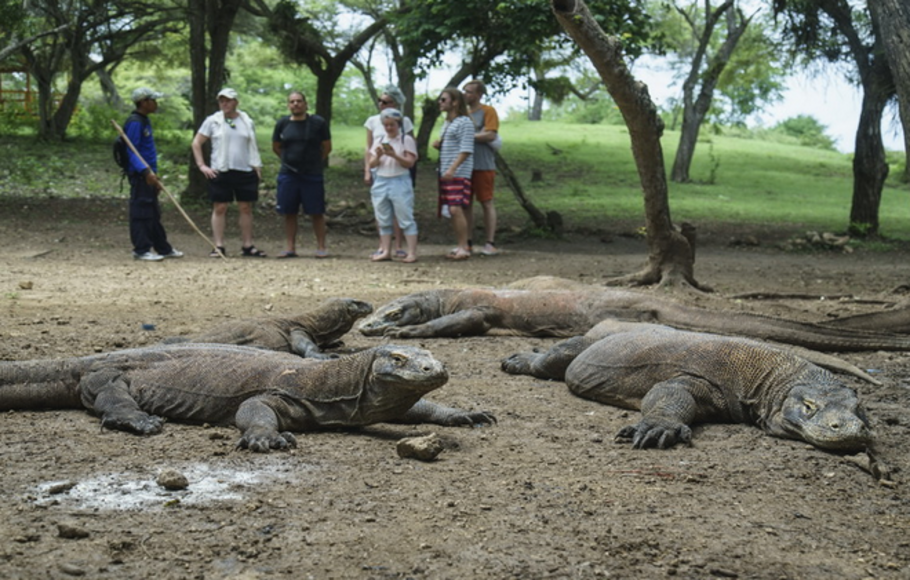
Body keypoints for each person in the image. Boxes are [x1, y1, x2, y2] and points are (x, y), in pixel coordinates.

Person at [191, 88, 265, 258]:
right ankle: (219, 245)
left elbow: (251, 145)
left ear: (236, 102)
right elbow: (196, 143)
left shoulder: (246, 120)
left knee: (245, 208)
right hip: (221, 170)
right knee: (220, 207)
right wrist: (202, 165)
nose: (225, 103)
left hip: (245, 169)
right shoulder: (213, 121)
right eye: (221, 101)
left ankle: (247, 245)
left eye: (228, 100)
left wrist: (256, 166)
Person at [123, 87, 183, 262]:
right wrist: (145, 171)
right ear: (143, 102)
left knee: (153, 212)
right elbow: (131, 150)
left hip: (150, 173)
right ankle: (141, 249)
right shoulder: (135, 122)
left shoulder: (144, 121)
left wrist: (154, 174)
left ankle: (162, 247)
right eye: (153, 100)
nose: (156, 104)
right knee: (141, 212)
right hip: (141, 174)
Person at [272, 91, 332, 259]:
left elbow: (327, 147)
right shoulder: (282, 124)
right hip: (288, 174)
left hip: (312, 174)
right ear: (288, 105)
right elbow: (276, 146)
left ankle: (321, 247)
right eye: (292, 101)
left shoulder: (318, 123)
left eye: (299, 101)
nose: (296, 104)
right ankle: (290, 247)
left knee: (316, 211)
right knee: (289, 211)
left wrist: (315, 162)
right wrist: (287, 160)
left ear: (305, 104)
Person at [363, 86, 414, 259]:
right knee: (382, 212)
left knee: (401, 210)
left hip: (399, 173)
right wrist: (368, 170)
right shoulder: (373, 121)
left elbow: (409, 149)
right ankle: (384, 247)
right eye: (380, 100)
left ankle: (400, 245)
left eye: (386, 101)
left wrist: (396, 155)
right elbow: (368, 148)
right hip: (380, 172)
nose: (381, 104)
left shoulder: (404, 123)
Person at [432, 86, 474, 260]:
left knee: (456, 208)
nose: (440, 103)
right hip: (446, 171)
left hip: (458, 172)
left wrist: (452, 168)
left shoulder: (465, 122)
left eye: (444, 99)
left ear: (455, 102)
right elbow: (452, 146)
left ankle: (464, 246)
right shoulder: (448, 123)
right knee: (451, 209)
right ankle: (460, 245)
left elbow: (466, 149)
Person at [462, 80, 500, 256]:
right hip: (465, 164)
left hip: (483, 163)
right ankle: (467, 242)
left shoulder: (488, 111)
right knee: (465, 204)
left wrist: (470, 136)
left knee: (486, 202)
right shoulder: (462, 113)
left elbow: (491, 134)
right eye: (464, 91)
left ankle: (490, 242)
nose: (465, 95)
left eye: (469, 92)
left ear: (478, 94)